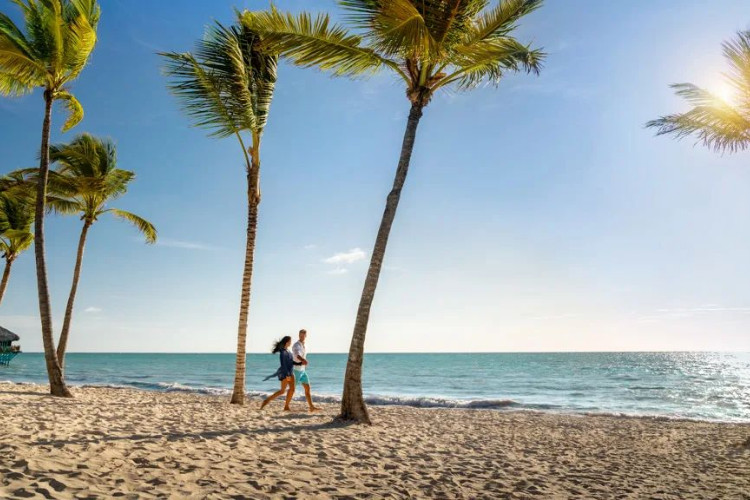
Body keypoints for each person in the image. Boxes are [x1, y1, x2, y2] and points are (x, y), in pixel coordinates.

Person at [260, 336, 304, 411]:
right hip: (285, 373)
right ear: (287, 342)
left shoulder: (288, 351)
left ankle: (286, 406)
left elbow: (290, 362)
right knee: (282, 391)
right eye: (290, 341)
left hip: (291, 372)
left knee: (292, 389)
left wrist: (299, 363)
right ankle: (267, 400)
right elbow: (283, 365)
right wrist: (287, 375)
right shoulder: (283, 352)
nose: (291, 343)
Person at [292, 329, 319, 412]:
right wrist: (303, 360)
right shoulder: (296, 345)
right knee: (292, 389)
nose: (302, 336)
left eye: (303, 335)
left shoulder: (305, 345)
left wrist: (303, 362)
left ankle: (311, 407)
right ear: (299, 335)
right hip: (296, 370)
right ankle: (286, 406)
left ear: (305, 336)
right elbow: (297, 355)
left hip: (303, 370)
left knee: (307, 388)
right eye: (301, 335)